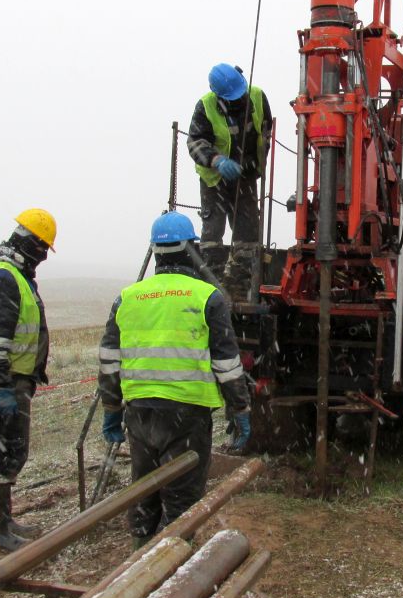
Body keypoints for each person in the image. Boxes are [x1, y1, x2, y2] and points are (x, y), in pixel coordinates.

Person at [98, 211, 252, 546]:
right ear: (192, 249)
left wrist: (112, 409)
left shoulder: (128, 298)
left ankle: (141, 557)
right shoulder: (206, 297)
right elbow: (226, 364)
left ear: (155, 251)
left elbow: (109, 362)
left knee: (145, 492)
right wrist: (239, 409)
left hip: (140, 413)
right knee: (182, 502)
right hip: (187, 415)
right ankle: (169, 568)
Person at [0, 208, 56, 552]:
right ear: (31, 242)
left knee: (11, 453)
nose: (44, 255)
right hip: (0, 383)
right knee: (1, 454)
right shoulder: (3, 276)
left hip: (11, 380)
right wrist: (0, 387)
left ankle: (5, 520)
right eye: (43, 247)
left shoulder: (11, 272)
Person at [186, 62, 273, 300]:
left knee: (247, 233)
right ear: (218, 94)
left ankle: (238, 286)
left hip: (245, 176)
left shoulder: (257, 97)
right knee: (213, 233)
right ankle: (211, 288)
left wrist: (254, 165)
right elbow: (195, 142)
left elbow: (265, 130)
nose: (239, 99)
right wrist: (216, 160)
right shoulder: (205, 107)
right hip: (215, 179)